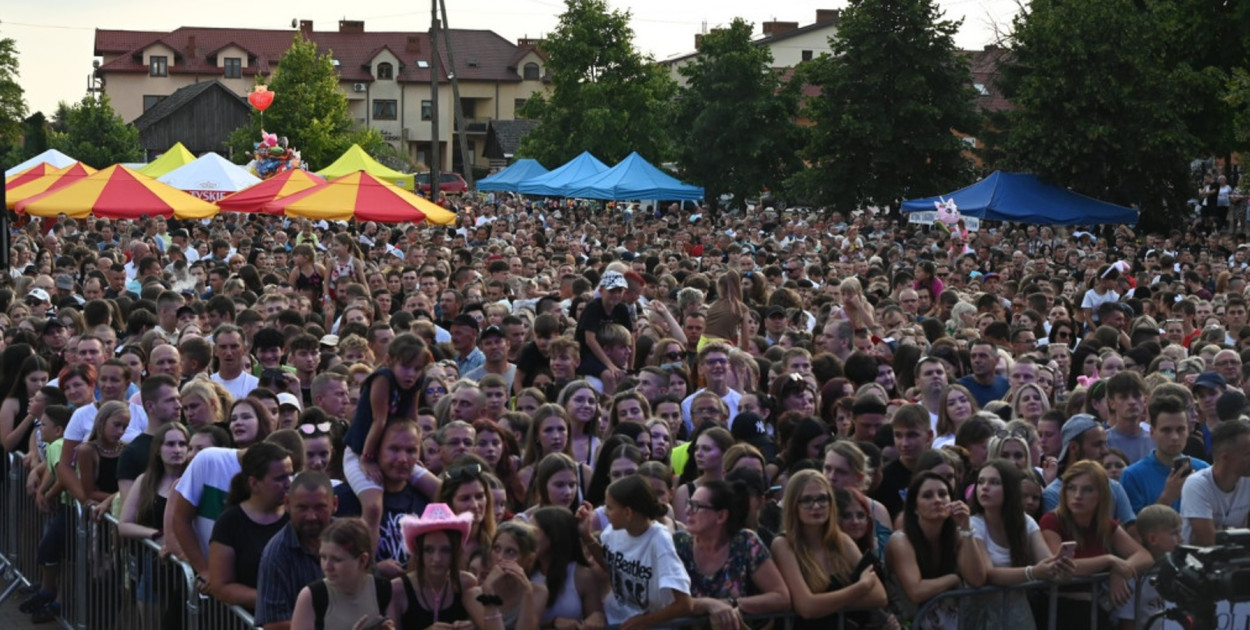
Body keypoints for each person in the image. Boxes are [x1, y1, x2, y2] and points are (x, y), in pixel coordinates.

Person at [1039, 460, 1152, 628]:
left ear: (1101, 495)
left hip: (1094, 611)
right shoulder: (1052, 521)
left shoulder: (1105, 524)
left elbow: (1145, 556)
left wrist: (1119, 570)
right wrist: (1109, 561)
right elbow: (1061, 565)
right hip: (1057, 611)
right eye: (1071, 488)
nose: (1077, 495)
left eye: (1087, 489)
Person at [771, 470, 887, 630]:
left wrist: (823, 603)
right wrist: (860, 588)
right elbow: (807, 608)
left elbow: (879, 596)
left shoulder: (843, 541)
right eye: (807, 500)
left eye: (822, 498)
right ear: (793, 505)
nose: (816, 506)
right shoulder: (783, 544)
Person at [967, 459, 1073, 630]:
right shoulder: (973, 524)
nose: (984, 487)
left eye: (994, 482)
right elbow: (988, 574)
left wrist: (1058, 565)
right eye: (981, 482)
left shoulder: (1026, 522)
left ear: (1010, 489)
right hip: (981, 616)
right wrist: (1033, 572)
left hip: (1017, 615)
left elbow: (1046, 559)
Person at [578, 475, 693, 630]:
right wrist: (587, 537)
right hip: (614, 620)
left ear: (628, 513)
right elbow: (613, 568)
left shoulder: (659, 541)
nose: (605, 512)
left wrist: (647, 620)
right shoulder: (614, 530)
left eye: (610, 507)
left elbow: (685, 604)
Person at [674, 478, 790, 629]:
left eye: (696, 506)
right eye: (689, 503)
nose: (687, 511)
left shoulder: (744, 542)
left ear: (721, 516)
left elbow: (781, 597)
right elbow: (666, 602)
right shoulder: (679, 544)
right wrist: (709, 605)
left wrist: (732, 604)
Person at [885, 471, 989, 630]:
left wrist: (966, 527)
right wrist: (953, 579)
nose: (938, 500)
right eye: (928, 496)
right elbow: (916, 591)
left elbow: (976, 579)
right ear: (914, 507)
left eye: (943, 494)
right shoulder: (901, 540)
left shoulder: (957, 536)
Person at [208, 442, 294, 609]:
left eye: (291, 475)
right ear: (254, 483)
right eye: (280, 478)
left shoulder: (297, 516)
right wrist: (272, 600)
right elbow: (220, 586)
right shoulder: (229, 522)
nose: (289, 483)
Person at [389, 503, 500, 629]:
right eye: (429, 550)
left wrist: (472, 626)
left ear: (455, 551)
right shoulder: (398, 589)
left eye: (445, 550)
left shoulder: (466, 583)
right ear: (419, 552)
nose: (437, 559)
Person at [256, 471, 339, 630]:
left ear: (334, 504)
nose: (311, 516)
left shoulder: (353, 539)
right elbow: (274, 625)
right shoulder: (276, 555)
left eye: (320, 507)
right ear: (287, 503)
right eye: (302, 508)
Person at [289, 518, 394, 630]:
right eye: (323, 557)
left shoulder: (384, 590)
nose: (327, 567)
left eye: (336, 559)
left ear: (363, 560)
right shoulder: (311, 597)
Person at [529, 507, 606, 630]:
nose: (527, 539)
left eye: (534, 532)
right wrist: (552, 624)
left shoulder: (582, 575)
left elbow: (595, 618)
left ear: (554, 536)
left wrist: (597, 617)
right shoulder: (524, 570)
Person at [1179, 419, 1250, 545]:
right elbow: (1208, 543)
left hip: (1239, 561)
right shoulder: (1197, 484)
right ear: (1225, 458)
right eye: (1248, 454)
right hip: (1198, 562)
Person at [479, 522, 547, 630]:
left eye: (510, 552)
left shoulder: (538, 592)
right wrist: (488, 591)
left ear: (529, 560)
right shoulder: (475, 594)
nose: (500, 557)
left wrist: (527, 592)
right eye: (496, 548)